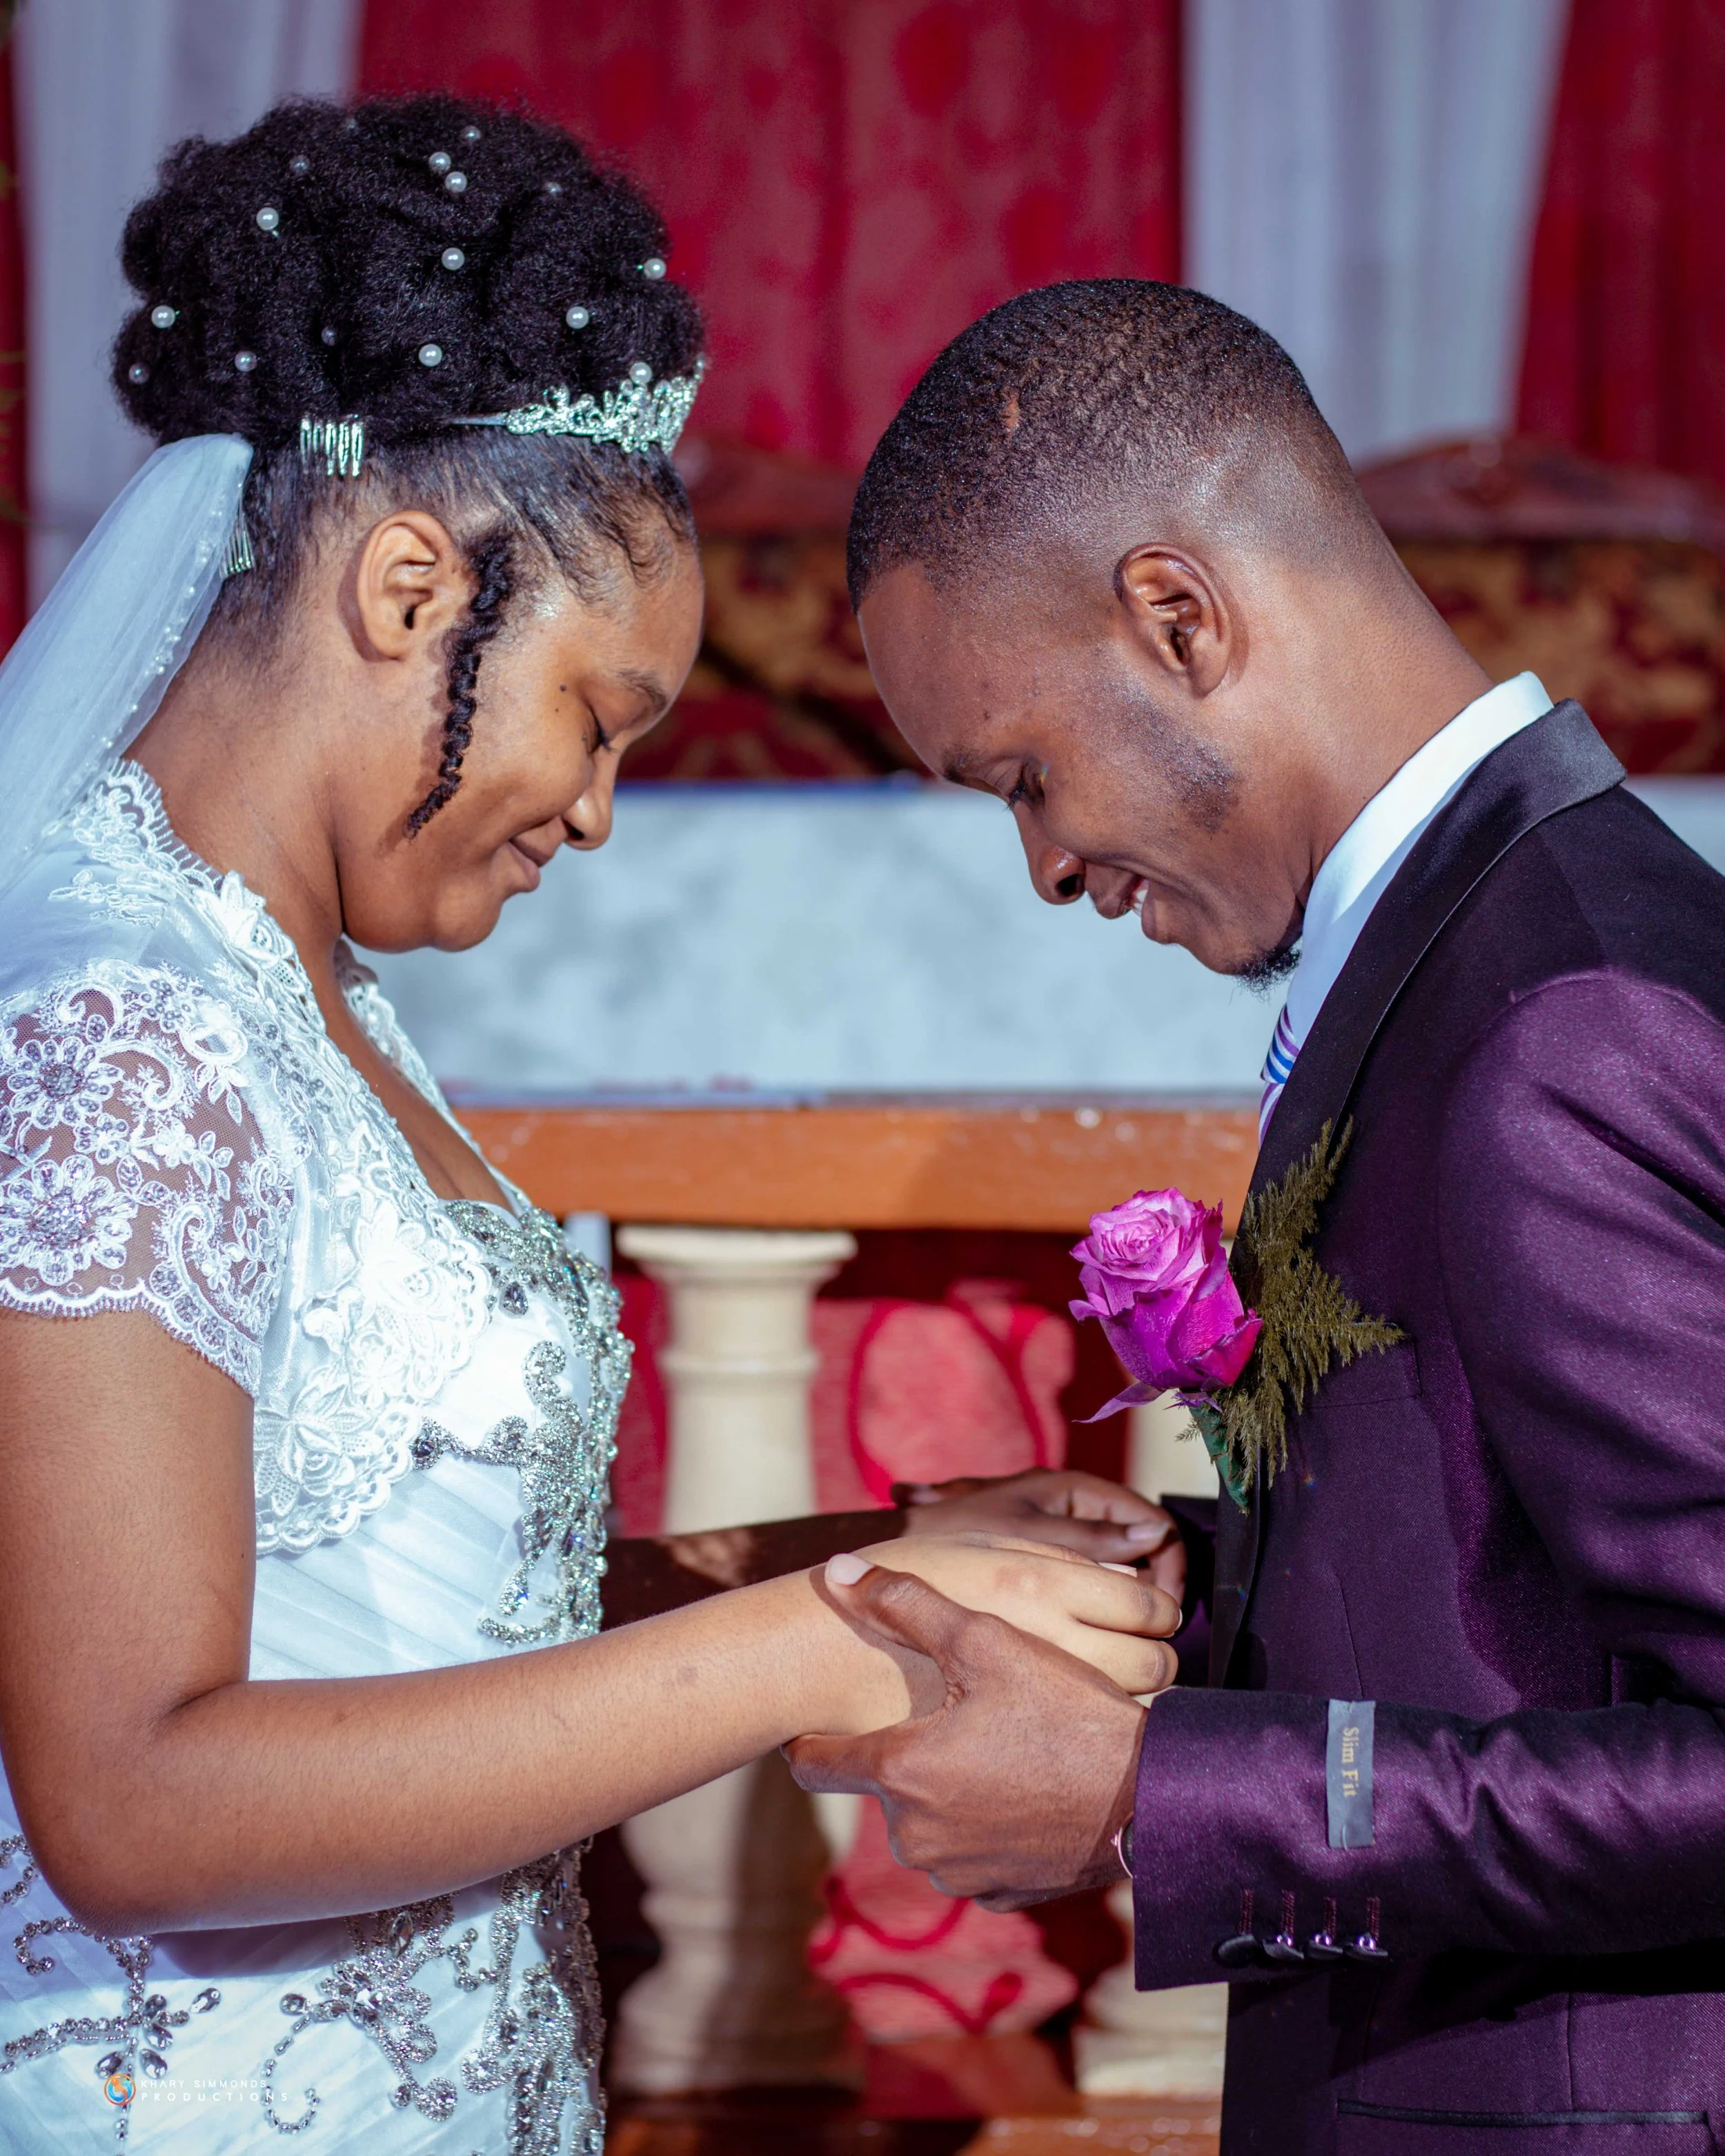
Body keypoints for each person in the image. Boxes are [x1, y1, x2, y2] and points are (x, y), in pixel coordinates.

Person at [0, 112, 1185, 2155]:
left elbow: (405, 1623)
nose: (601, 809)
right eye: (603, 712)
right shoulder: (121, 1025)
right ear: (403, 588)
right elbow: (136, 1803)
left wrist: (871, 1562)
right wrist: (806, 1634)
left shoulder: (304, 1002)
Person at [789, 279, 1725, 2150]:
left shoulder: (1561, 1017)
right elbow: (1529, 1606)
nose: (1043, 864)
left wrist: (1156, 1794)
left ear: (1177, 615)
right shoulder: (1470, 940)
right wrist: (1192, 1579)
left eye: (1023, 775)